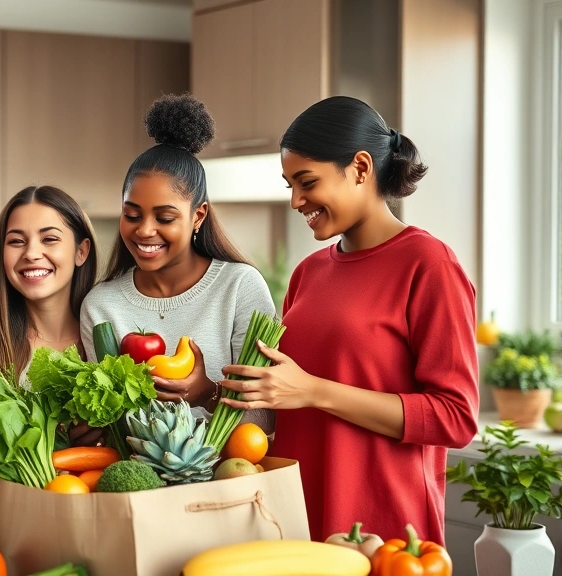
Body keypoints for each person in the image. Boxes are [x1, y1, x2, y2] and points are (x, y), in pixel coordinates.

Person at [219, 96, 479, 545]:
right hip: (297, 518)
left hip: (383, 527)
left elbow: (454, 418)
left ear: (360, 168)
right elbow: (285, 395)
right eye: (290, 186)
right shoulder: (308, 274)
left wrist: (315, 391)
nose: (297, 200)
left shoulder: (429, 264)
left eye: (307, 182)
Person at [79, 93, 274, 432]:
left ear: (198, 216)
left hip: (233, 480)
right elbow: (112, 427)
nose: (145, 230)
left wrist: (207, 394)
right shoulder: (101, 306)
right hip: (139, 483)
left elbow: (270, 415)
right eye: (132, 214)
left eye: (165, 217)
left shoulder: (240, 287)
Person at [0, 185, 96, 382]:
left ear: (81, 252)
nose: (31, 254)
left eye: (49, 239)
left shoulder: (106, 345)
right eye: (16, 241)